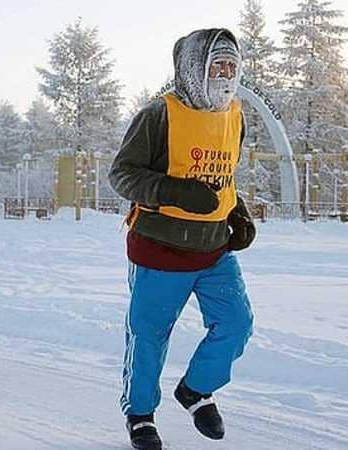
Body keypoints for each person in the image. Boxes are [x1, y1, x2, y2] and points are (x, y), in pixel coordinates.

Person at [108, 28, 256, 449]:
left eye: (232, 66)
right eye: (217, 66)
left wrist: (236, 211)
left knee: (236, 323)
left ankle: (195, 389)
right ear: (194, 69)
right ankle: (140, 415)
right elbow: (122, 175)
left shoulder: (235, 115)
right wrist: (174, 192)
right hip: (160, 249)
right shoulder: (158, 115)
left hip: (213, 249)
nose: (226, 75)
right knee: (149, 336)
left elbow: (221, 176)